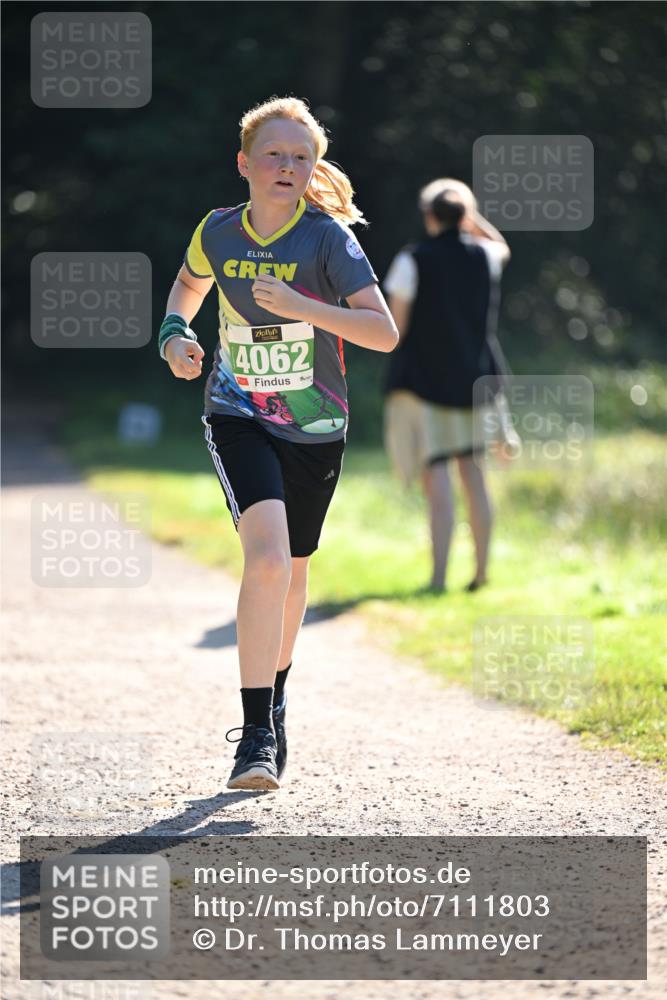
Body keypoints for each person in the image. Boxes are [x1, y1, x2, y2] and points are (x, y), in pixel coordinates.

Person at [158, 97, 398, 791]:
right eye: (273, 154)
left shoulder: (328, 241)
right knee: (264, 562)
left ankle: (278, 690)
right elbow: (187, 283)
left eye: (301, 156)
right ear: (244, 163)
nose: (287, 166)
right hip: (237, 413)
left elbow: (381, 332)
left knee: (292, 571)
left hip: (315, 425)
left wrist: (302, 308)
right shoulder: (218, 230)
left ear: (313, 167)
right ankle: (255, 735)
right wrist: (175, 333)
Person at [383, 178, 515, 593]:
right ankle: (480, 572)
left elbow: (395, 330)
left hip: (424, 382)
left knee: (436, 472)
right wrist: (473, 219)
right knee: (473, 472)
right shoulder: (485, 256)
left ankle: (438, 579)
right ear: (464, 216)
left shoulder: (411, 259)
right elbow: (502, 246)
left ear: (429, 216)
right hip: (476, 379)